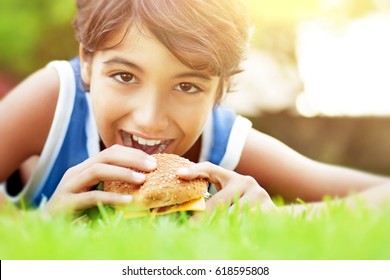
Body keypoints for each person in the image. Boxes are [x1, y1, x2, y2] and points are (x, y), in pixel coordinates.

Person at [0, 0, 389, 218]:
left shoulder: (223, 147)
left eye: (186, 86)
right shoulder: (57, 99)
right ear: (87, 61)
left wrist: (284, 218)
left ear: (221, 88)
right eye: (124, 76)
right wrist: (37, 222)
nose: (150, 119)